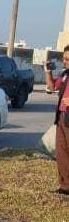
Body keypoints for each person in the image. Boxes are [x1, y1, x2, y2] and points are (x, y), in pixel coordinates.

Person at [45, 45, 69, 195]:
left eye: (68, 58)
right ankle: (65, 186)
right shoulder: (65, 74)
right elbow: (52, 86)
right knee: (61, 152)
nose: (65, 61)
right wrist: (48, 71)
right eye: (64, 58)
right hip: (62, 117)